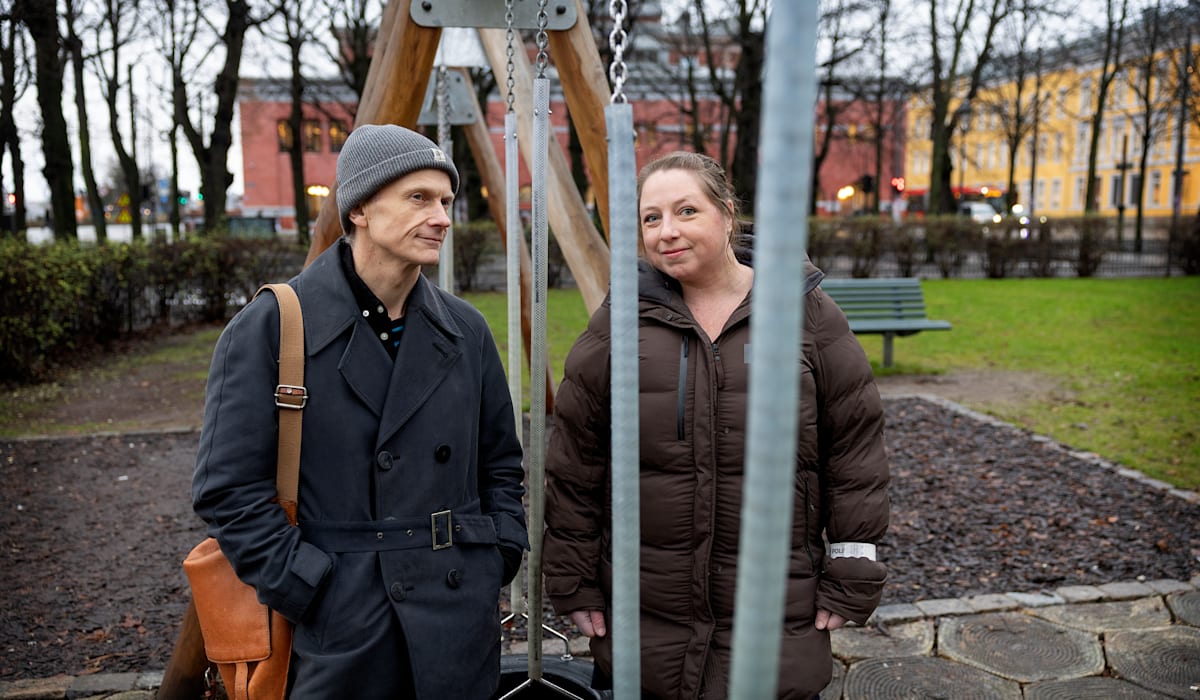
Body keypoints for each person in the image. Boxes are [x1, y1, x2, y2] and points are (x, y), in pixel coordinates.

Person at [192, 124, 528, 699]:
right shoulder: (272, 327)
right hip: (337, 628)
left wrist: (494, 557)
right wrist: (308, 586)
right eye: (419, 198)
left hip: (455, 617)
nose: (442, 218)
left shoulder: (465, 329)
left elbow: (500, 463)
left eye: (445, 201)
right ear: (360, 209)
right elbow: (228, 490)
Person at [543, 151, 889, 699]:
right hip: (650, 607)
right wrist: (572, 576)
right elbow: (576, 459)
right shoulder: (622, 320)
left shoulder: (805, 313)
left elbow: (854, 450)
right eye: (651, 218)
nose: (666, 231)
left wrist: (852, 564)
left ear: (727, 213)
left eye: (686, 211)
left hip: (776, 602)